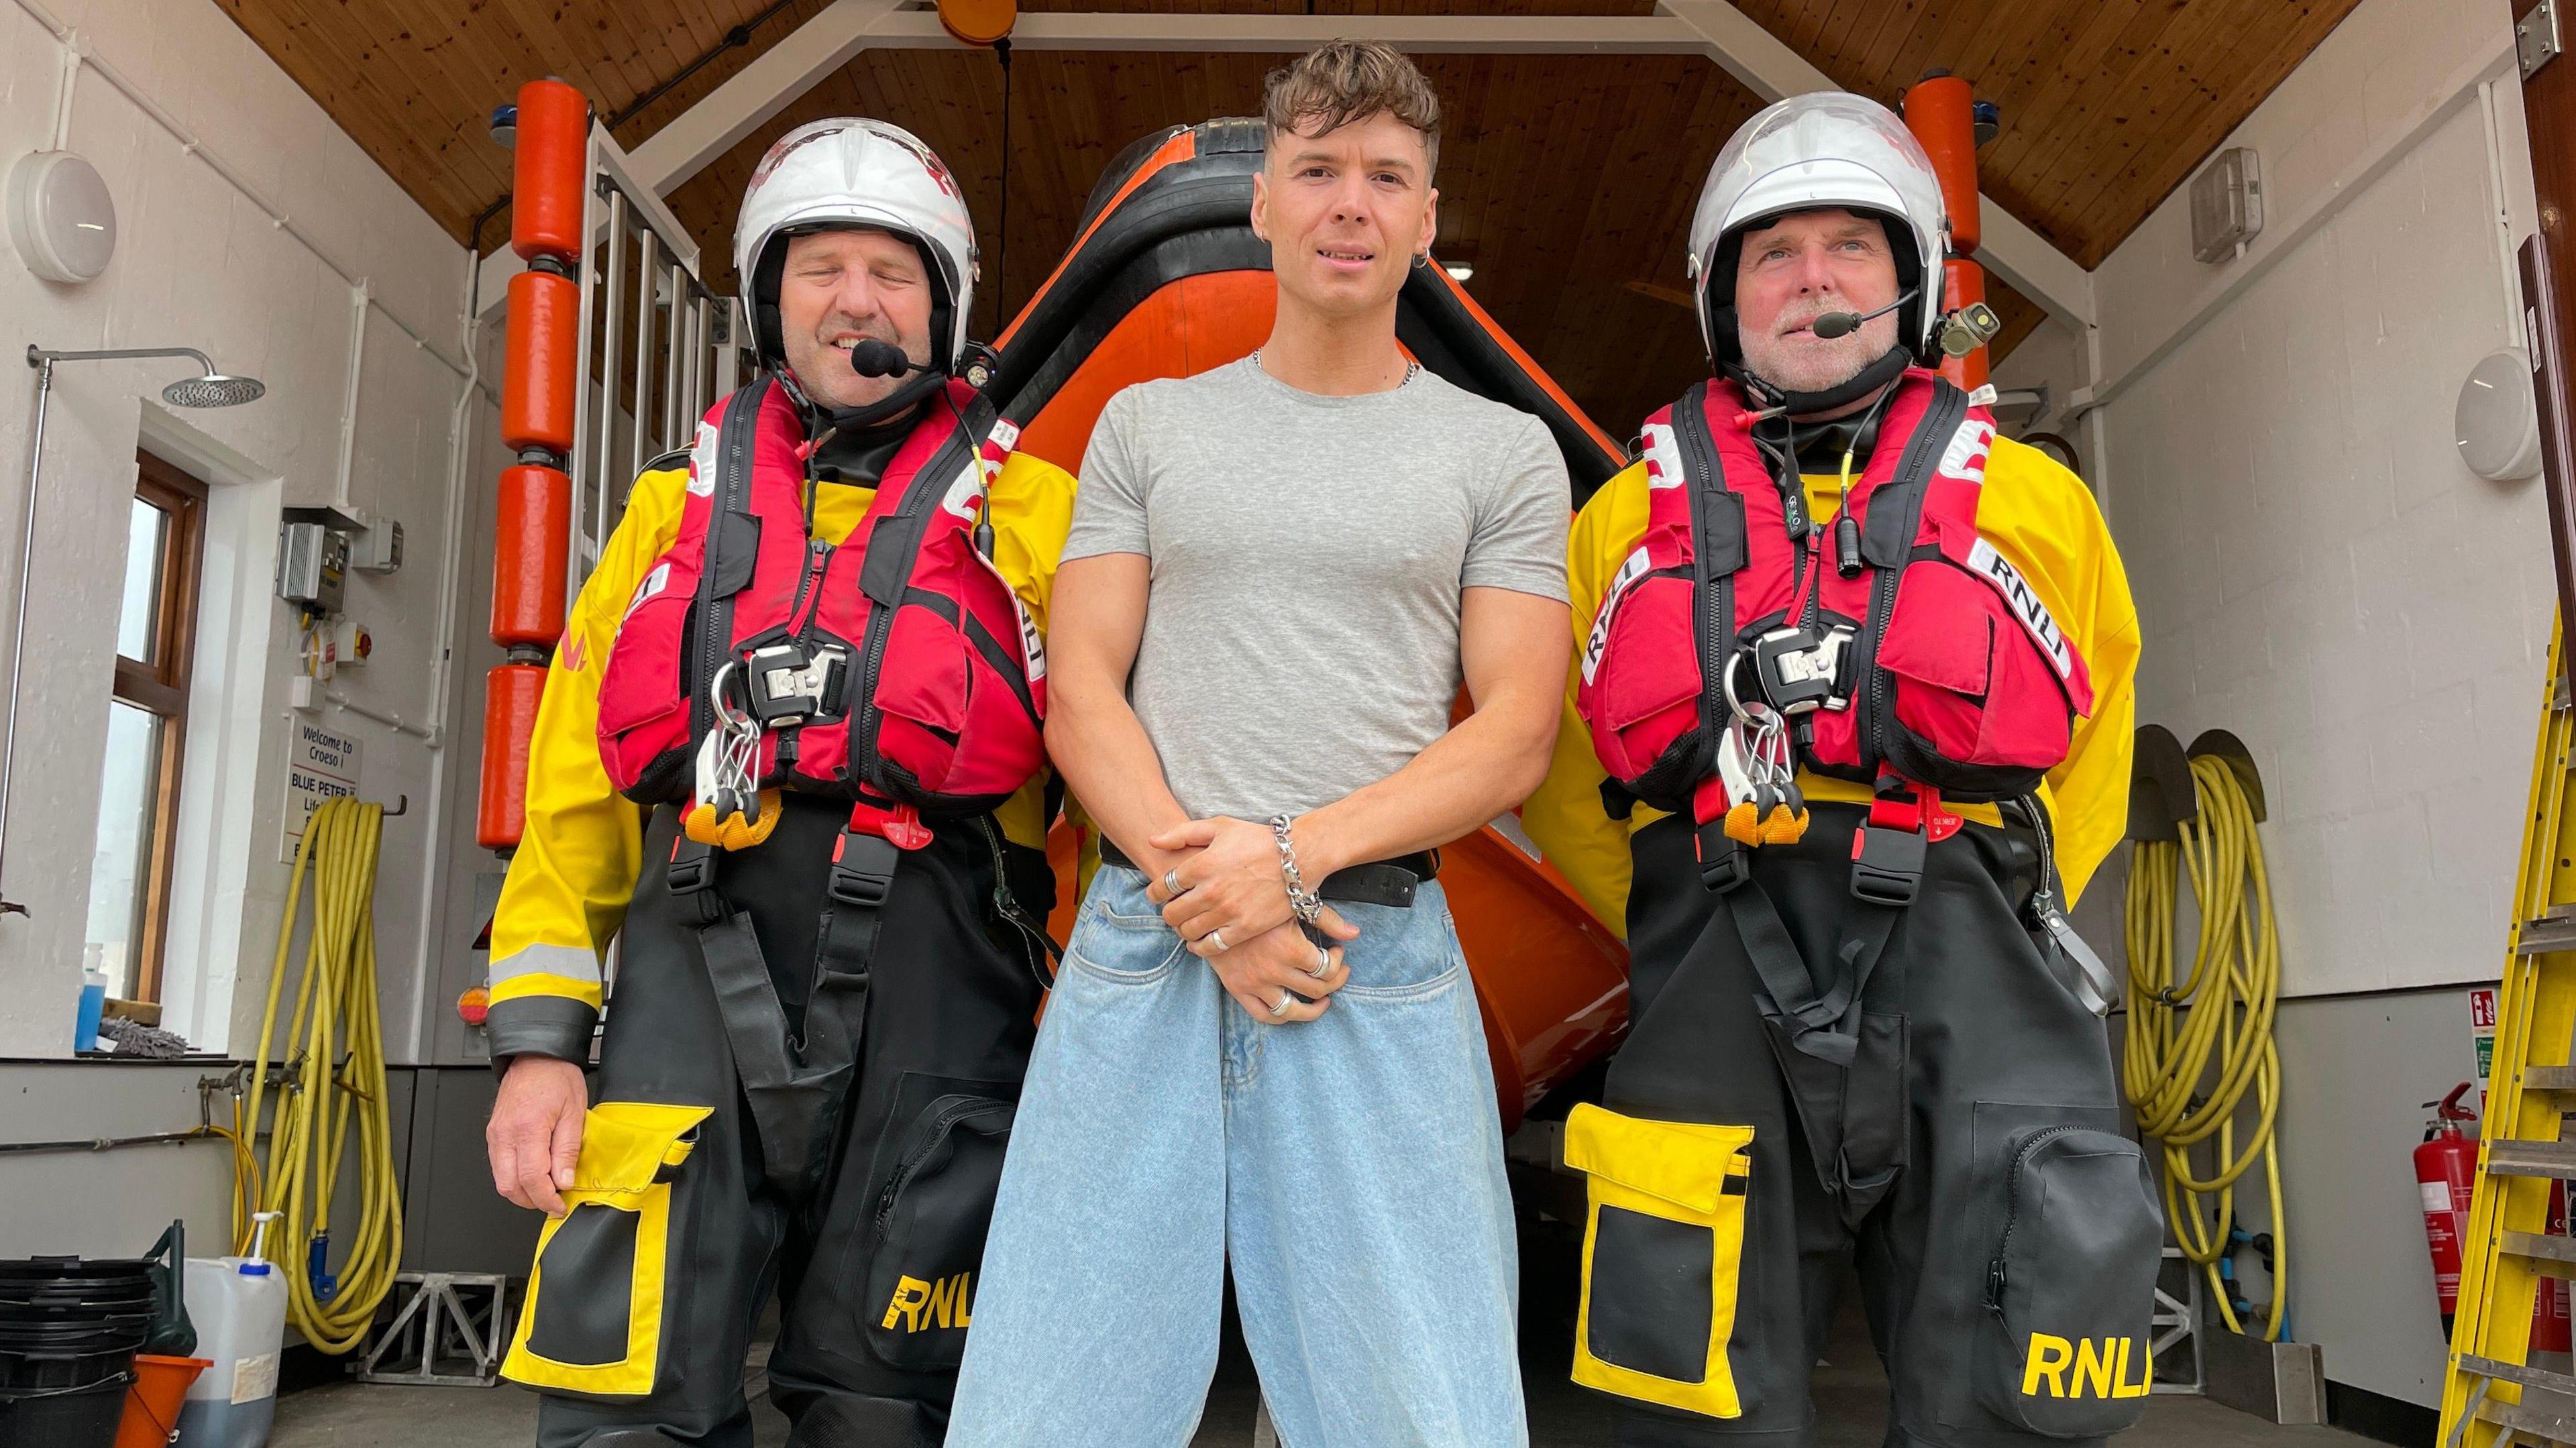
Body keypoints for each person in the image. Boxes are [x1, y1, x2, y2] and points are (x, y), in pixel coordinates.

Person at [944, 41, 1572, 1448]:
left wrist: (1287, 862)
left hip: (1371, 950)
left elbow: (1519, 729)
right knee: (1055, 1399)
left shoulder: (1502, 451)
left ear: (1424, 218)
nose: (1352, 202)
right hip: (1147, 940)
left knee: (1422, 1410)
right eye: (1319, 171)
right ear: (1268, 209)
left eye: (1386, 178)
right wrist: (1207, 899)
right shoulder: (1145, 426)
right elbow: (1084, 694)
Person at [1521, 93, 2153, 1447]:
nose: (1815, 280)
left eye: (1850, 249)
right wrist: (1677, 920)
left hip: (1971, 963)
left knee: (2000, 1389)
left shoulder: (2041, 504)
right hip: (1712, 961)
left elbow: (2095, 739)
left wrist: (1997, 902)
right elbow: (1565, 771)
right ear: (1723, 300)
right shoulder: (1620, 522)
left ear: (1913, 279)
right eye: (1776, 253)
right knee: (1689, 1397)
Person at [479, 118, 1073, 1447]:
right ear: (768, 297)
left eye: (891, 272)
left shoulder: (1040, 520)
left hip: (943, 1027)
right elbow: (573, 793)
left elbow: (1115, 802)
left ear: (944, 306)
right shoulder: (665, 518)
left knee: (889, 1418)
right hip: (685, 995)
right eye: (821, 269)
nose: (856, 300)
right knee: (620, 1413)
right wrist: (536, 1053)